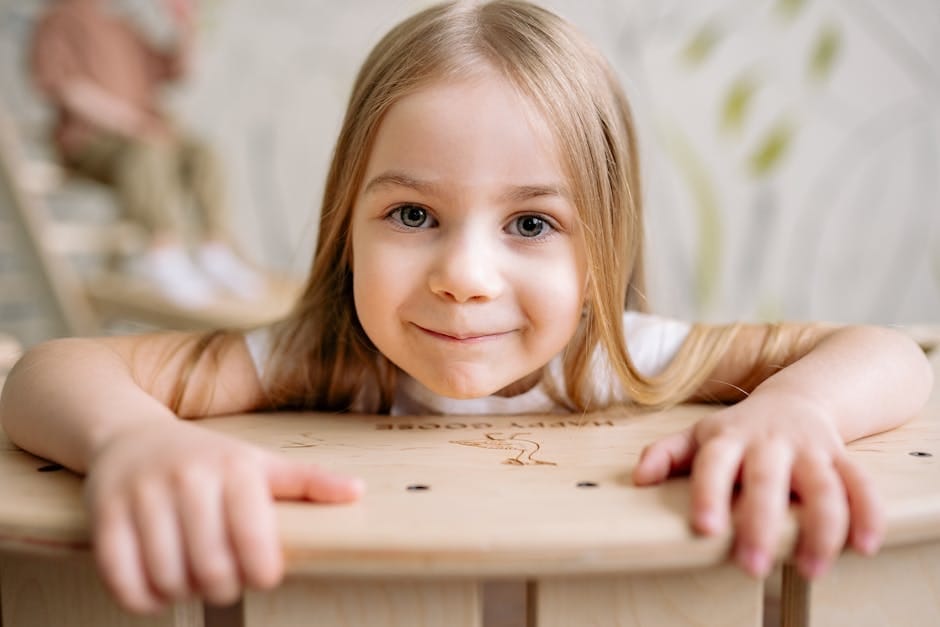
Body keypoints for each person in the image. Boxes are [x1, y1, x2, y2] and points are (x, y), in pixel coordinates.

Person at [1, 0, 933, 615]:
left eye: (531, 221)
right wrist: (132, 438)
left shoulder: (618, 357)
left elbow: (887, 351)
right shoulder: (324, 357)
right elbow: (50, 369)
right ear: (346, 225)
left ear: (601, 248)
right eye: (413, 214)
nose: (466, 275)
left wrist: (796, 408)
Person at [29, 0, 265, 307]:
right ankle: (162, 251)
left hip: (146, 135)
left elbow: (179, 71)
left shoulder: (124, 25)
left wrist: (186, 25)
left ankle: (214, 248)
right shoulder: (58, 19)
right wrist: (132, 122)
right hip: (91, 141)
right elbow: (67, 88)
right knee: (147, 153)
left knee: (203, 153)